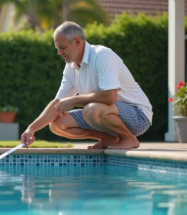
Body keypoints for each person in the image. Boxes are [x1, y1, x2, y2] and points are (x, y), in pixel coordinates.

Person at [21, 21, 153, 149]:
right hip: (103, 115)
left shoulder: (102, 55)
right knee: (56, 124)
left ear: (77, 41)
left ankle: (129, 138)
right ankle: (108, 138)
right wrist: (31, 128)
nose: (59, 53)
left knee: (91, 109)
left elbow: (110, 97)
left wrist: (74, 99)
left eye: (62, 47)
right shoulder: (70, 67)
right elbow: (58, 102)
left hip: (138, 116)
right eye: (57, 48)